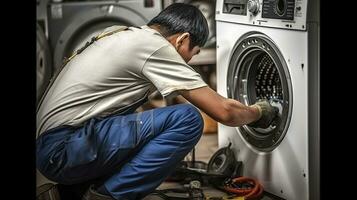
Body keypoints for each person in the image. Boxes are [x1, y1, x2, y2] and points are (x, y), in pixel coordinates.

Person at [36, 3, 279, 200]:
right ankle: (107, 196)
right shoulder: (154, 46)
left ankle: (72, 192)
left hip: (52, 148)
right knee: (188, 119)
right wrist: (260, 110)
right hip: (63, 149)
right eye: (191, 55)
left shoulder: (119, 34)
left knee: (153, 122)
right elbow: (225, 112)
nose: (187, 63)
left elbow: (118, 110)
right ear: (182, 40)